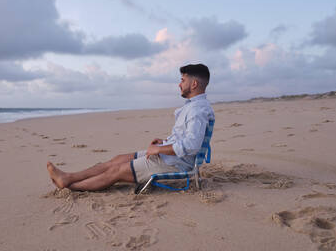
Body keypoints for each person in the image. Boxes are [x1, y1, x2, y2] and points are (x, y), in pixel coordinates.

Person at [46, 63, 215, 191]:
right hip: (169, 156)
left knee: (117, 171)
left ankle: (71, 186)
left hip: (176, 163)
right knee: (117, 159)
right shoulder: (192, 106)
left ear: (194, 84)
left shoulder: (197, 110)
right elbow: (186, 137)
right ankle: (68, 177)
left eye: (183, 80)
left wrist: (159, 150)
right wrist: (164, 142)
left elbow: (192, 145)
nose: (179, 85)